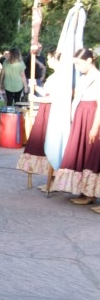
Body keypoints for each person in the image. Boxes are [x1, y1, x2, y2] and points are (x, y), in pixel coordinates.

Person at [52, 49, 100, 207]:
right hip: (81, 118)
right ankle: (84, 191)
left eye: (79, 64)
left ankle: (90, 193)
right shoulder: (83, 77)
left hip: (91, 117)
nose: (77, 67)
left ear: (89, 61)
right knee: (81, 154)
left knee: (91, 156)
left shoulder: (98, 78)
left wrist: (94, 127)